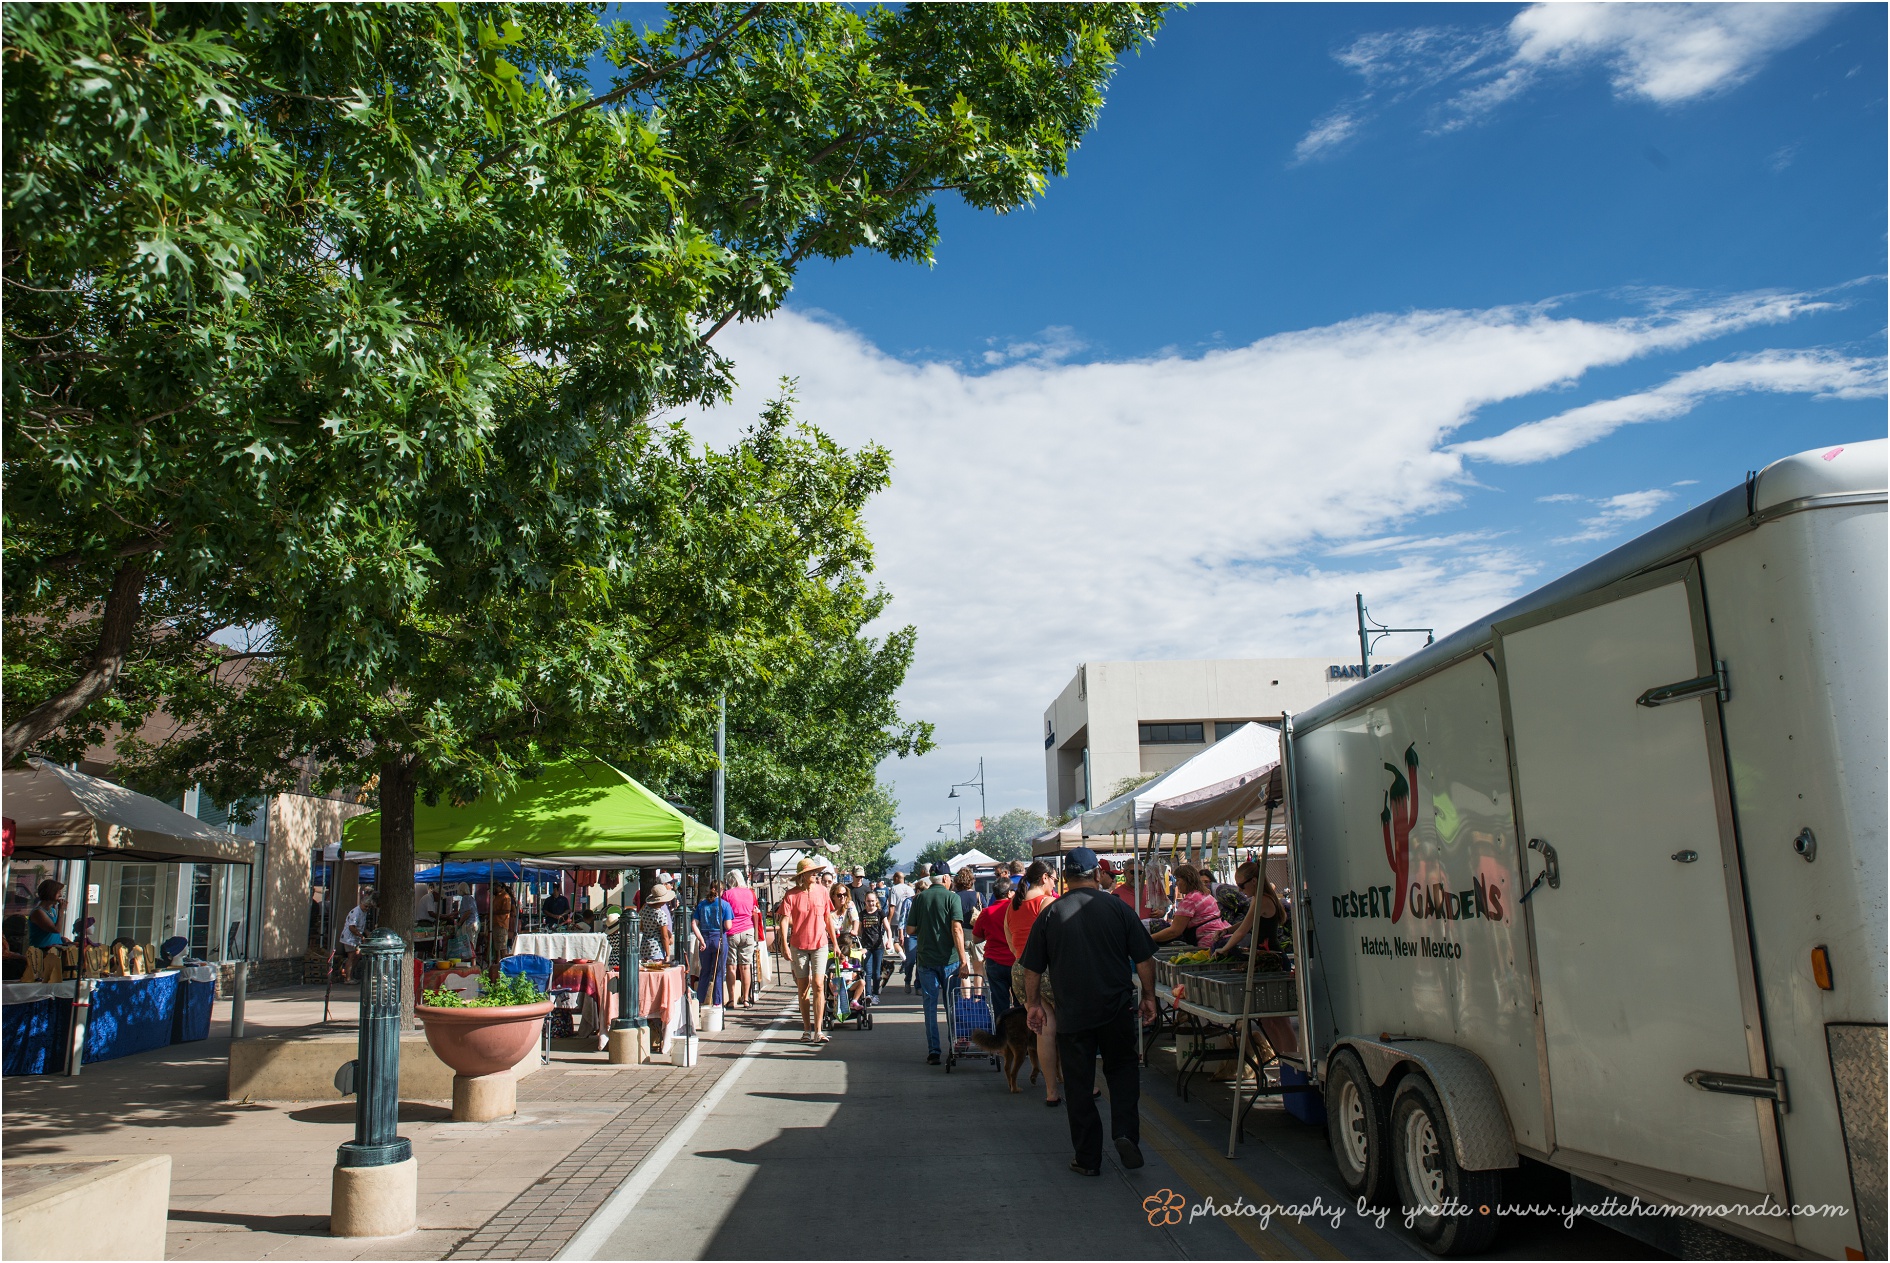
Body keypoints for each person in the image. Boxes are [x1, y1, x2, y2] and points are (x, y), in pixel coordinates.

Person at [1019, 847, 1158, 1177]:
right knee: (1122, 1072)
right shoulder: (1118, 908)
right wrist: (1149, 996)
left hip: (1073, 1014)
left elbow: (1032, 969)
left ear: (1065, 879)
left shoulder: (1051, 914)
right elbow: (1144, 959)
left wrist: (1034, 1003)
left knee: (1079, 1084)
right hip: (1116, 1010)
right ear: (1097, 874)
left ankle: (1087, 1157)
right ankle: (1124, 1133)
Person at [1007, 860, 1062, 1105]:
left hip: (1019, 970)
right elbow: (1059, 940)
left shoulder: (1012, 905)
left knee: (1043, 1031)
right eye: (1054, 879)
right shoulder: (1046, 903)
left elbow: (1010, 942)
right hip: (1045, 970)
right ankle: (1080, 1082)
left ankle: (1051, 1091)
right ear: (1044, 878)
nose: (1055, 884)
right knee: (1068, 1030)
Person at [908, 865, 970, 1065]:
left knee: (930, 1006)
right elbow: (957, 929)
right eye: (950, 877)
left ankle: (934, 1050)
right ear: (944, 878)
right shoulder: (953, 898)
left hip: (926, 960)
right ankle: (954, 1045)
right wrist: (963, 960)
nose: (951, 880)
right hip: (949, 960)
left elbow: (910, 929)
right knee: (951, 1004)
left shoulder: (920, 899)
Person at [778, 858, 842, 1042]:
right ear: (802, 876)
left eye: (816, 872)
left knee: (819, 984)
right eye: (812, 872)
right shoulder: (791, 895)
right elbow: (783, 920)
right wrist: (784, 944)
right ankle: (807, 1029)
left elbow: (828, 918)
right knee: (803, 988)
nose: (816, 875)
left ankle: (818, 1031)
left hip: (820, 944)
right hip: (799, 945)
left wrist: (835, 944)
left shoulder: (823, 892)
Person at [1210, 861, 1284, 955]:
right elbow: (1247, 922)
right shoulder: (1257, 898)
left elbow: (1242, 931)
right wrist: (1226, 930)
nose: (1240, 890)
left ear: (1254, 881)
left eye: (1241, 885)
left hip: (1273, 956)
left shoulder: (1262, 900)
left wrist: (1224, 949)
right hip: (1266, 953)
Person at [1150, 864, 1228, 947]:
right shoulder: (1205, 894)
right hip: (1223, 936)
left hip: (1210, 942)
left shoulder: (1190, 900)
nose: (1176, 883)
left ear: (1187, 880)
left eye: (1178, 880)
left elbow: (1174, 931)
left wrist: (1149, 938)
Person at [971, 890, 1017, 1024]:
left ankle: (1002, 1038)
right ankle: (1022, 1038)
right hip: (1015, 960)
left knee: (1000, 1004)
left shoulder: (987, 912)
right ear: (1009, 893)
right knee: (1021, 1003)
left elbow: (976, 938)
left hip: (995, 961)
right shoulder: (1016, 909)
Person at [692, 880, 734, 1008]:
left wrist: (701, 939)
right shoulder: (725, 905)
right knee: (719, 972)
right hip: (719, 938)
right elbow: (728, 925)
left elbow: (694, 923)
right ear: (721, 891)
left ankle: (699, 1001)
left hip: (704, 938)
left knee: (705, 971)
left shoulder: (701, 905)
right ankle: (717, 1002)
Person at [722, 870, 760, 1008]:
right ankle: (745, 998)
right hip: (748, 929)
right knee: (745, 965)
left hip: (732, 931)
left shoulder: (727, 894)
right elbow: (754, 909)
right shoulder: (750, 893)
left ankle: (731, 999)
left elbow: (724, 912)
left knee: (731, 966)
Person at [858, 891, 890, 999]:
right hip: (866, 947)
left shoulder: (880, 913)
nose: (870, 903)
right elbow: (859, 930)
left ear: (876, 901)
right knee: (867, 972)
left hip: (878, 946)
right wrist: (858, 944)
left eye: (872, 901)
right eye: (868, 901)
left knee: (876, 973)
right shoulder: (862, 914)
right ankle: (868, 994)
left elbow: (887, 928)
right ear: (865, 901)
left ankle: (875, 993)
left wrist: (889, 940)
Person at [338, 888, 374, 982]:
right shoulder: (356, 912)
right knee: (351, 956)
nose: (367, 909)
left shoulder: (364, 912)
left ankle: (350, 973)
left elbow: (362, 925)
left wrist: (366, 932)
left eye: (368, 907)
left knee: (357, 956)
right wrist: (361, 935)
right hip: (349, 938)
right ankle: (348, 977)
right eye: (366, 906)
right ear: (361, 903)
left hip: (356, 938)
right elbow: (352, 927)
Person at [899, 876, 927, 992]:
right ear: (918, 891)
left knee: (920, 961)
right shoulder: (908, 902)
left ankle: (918, 985)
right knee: (910, 960)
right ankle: (907, 979)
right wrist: (901, 934)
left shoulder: (925, 903)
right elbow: (902, 919)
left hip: (922, 935)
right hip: (910, 935)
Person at [639, 883, 678, 964]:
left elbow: (641, 926)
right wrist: (668, 954)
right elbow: (664, 937)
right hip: (657, 949)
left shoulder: (645, 908)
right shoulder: (660, 914)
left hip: (644, 947)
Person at [27, 880, 69, 949]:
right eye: (58, 892)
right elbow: (56, 929)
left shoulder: (52, 910)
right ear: (51, 893)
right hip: (42, 952)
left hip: (55, 949)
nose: (60, 895)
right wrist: (61, 910)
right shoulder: (38, 912)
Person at [828, 878, 860, 942]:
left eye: (844, 894)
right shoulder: (828, 909)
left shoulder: (849, 905)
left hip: (847, 940)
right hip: (831, 940)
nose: (842, 897)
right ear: (833, 896)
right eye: (839, 895)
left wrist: (855, 930)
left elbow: (855, 919)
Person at [491, 882, 518, 957]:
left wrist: (494, 913)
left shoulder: (505, 897)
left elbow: (507, 910)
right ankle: (498, 963)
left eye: (494, 888)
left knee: (502, 947)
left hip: (501, 923)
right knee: (497, 948)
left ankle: (504, 964)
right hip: (496, 923)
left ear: (499, 887)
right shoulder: (497, 896)